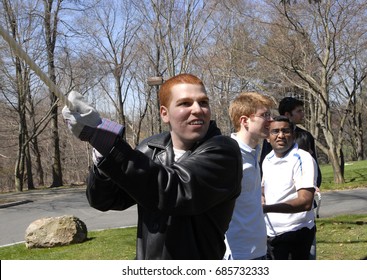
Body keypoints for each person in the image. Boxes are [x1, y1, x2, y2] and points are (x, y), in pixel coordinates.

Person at [62, 73, 243, 260]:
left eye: (203, 102)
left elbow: (175, 189)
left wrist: (108, 143)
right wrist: (101, 151)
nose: (198, 109)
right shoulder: (151, 148)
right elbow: (105, 200)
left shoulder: (223, 151)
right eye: (185, 103)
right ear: (164, 114)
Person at [225, 92, 274, 260]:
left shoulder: (254, 153)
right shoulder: (228, 156)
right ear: (244, 121)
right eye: (264, 115)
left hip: (259, 250)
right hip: (238, 255)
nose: (271, 120)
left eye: (270, 114)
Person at [262, 116, 317, 260]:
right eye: (275, 131)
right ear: (268, 137)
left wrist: (265, 208)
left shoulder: (303, 159)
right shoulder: (267, 160)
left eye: (285, 131)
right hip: (271, 235)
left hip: (296, 233)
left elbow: (305, 202)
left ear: (292, 134)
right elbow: (264, 188)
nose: (280, 135)